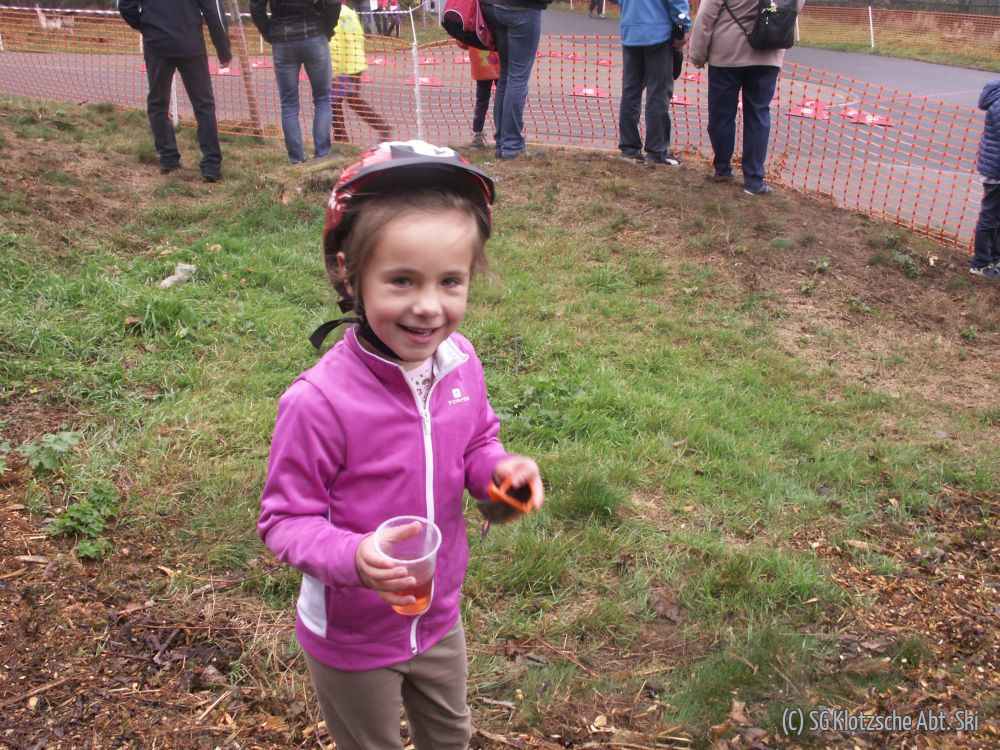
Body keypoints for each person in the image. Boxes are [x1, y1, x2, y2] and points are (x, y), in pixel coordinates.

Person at [258, 140, 545, 750]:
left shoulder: (460, 361)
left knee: (451, 734)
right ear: (350, 274)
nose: (428, 307)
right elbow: (284, 521)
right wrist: (356, 557)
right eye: (401, 281)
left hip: (437, 615)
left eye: (450, 281)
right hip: (352, 637)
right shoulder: (319, 403)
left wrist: (499, 473)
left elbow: (478, 441)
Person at [688, 0, 805, 195]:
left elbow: (706, 14)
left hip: (727, 54)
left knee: (721, 115)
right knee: (758, 115)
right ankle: (754, 180)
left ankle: (722, 169)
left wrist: (698, 53)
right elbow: (793, 7)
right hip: (767, 52)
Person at [117, 0, 231, 182]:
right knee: (204, 106)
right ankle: (211, 165)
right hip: (190, 44)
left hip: (157, 44)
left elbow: (125, 6)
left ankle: (168, 158)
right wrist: (223, 50)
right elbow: (214, 12)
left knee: (158, 104)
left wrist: (147, 26)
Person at [251, 0, 341, 164]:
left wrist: (270, 33)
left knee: (289, 104)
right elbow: (333, 3)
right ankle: (322, 155)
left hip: (282, 38)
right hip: (314, 34)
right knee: (322, 99)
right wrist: (327, 28)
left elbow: (256, 7)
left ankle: (296, 160)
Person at [617, 0, 689, 166]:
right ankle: (657, 150)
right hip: (658, 34)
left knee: (630, 92)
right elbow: (678, 3)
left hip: (631, 32)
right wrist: (681, 28)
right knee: (658, 93)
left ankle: (629, 149)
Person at [481, 0, 552, 160]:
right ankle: (512, 146)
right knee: (517, 77)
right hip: (522, 9)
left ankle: (502, 144)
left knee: (506, 75)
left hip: (493, 7)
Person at [329, 3, 392, 144]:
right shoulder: (349, 12)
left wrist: (334, 70)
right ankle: (341, 136)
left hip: (343, 65)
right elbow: (359, 36)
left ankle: (381, 128)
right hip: (356, 62)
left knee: (342, 101)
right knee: (341, 101)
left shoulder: (333, 13)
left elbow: (334, 44)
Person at [970, 79, 1000, 279]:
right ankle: (980, 263)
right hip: (996, 171)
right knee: (990, 217)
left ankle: (995, 258)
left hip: (994, 167)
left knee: (997, 217)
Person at [460, 42, 500, 149]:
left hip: (481, 67)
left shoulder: (474, 29)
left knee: (481, 102)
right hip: (500, 63)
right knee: (502, 100)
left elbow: (462, 43)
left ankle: (477, 136)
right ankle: (504, 137)